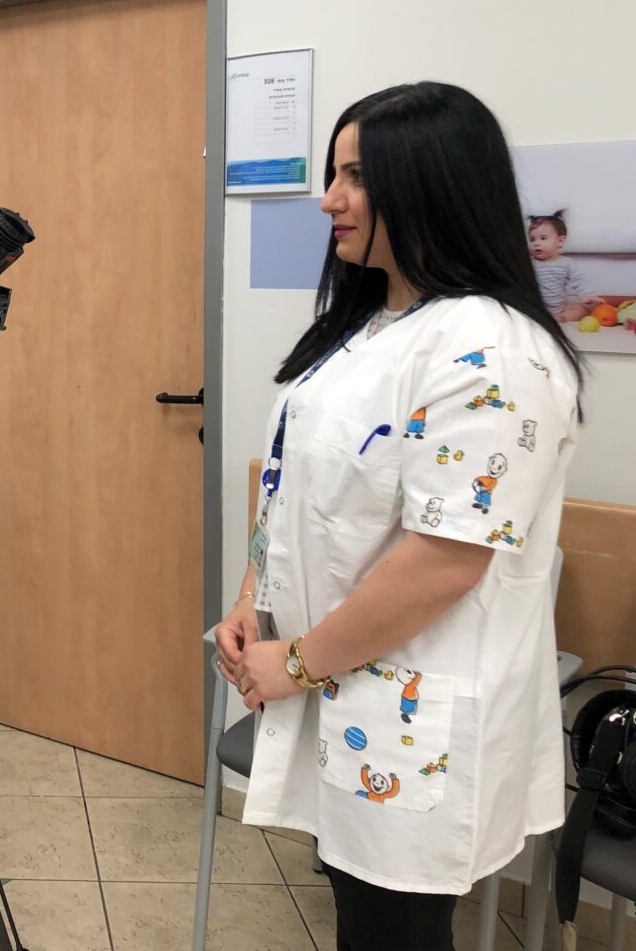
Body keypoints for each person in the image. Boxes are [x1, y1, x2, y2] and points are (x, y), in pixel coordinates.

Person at [215, 83, 582, 951]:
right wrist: (251, 599)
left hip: (407, 716)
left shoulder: (492, 348)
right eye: (333, 174)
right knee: (361, 920)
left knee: (393, 932)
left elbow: (446, 561)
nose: (329, 199)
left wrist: (292, 663)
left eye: (355, 176)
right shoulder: (370, 325)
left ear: (431, 184)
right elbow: (293, 483)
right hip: (340, 687)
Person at [527, 210, 600, 322]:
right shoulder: (530, 262)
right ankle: (540, 317)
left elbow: (579, 280)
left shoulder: (567, 263)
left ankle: (562, 318)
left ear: (560, 241)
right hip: (536, 308)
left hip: (559, 308)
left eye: (543, 238)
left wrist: (587, 295)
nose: (536, 243)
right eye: (532, 239)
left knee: (584, 309)